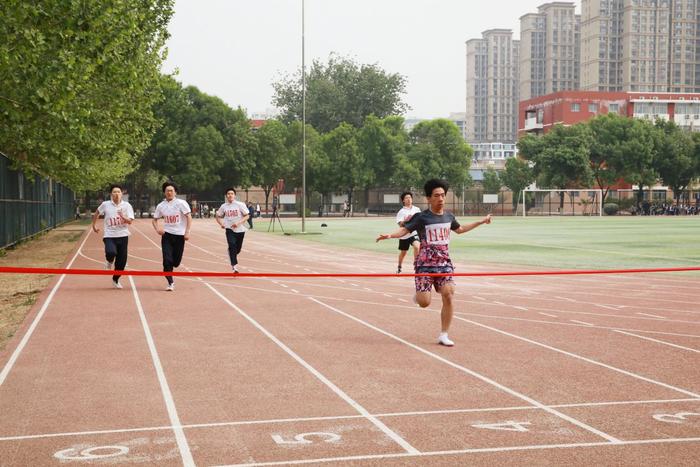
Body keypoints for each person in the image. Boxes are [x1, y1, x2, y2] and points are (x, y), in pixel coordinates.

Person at [376, 179, 492, 347]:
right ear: (429, 198)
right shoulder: (421, 217)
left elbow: (460, 230)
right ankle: (418, 295)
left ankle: (444, 334)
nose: (441, 199)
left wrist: (481, 221)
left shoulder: (449, 216)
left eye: (443, 195)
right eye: (437, 195)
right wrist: (390, 235)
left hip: (444, 263)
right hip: (424, 264)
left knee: (449, 294)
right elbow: (405, 230)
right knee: (424, 302)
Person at [91, 184, 135, 289]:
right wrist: (94, 225)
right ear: (111, 194)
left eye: (118, 192)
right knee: (111, 252)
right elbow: (97, 213)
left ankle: (115, 280)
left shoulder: (127, 206)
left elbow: (130, 222)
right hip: (109, 235)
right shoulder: (106, 204)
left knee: (121, 263)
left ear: (122, 194)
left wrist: (123, 216)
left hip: (123, 235)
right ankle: (109, 261)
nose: (116, 194)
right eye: (114, 192)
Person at [152, 182, 192, 291]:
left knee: (176, 262)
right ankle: (170, 282)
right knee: (167, 259)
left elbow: (189, 217)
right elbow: (154, 220)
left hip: (179, 236)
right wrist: (157, 229)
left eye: (171, 190)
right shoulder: (161, 205)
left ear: (175, 192)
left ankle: (172, 268)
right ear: (164, 192)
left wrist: (187, 232)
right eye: (167, 191)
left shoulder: (181, 203)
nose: (169, 192)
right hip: (167, 235)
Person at [216, 187, 249, 273]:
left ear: (234, 195)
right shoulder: (224, 206)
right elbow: (218, 216)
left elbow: (247, 215)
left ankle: (231, 252)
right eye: (228, 194)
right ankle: (234, 267)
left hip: (240, 229)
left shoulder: (240, 204)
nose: (230, 195)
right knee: (232, 245)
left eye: (232, 194)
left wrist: (238, 223)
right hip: (229, 229)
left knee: (237, 249)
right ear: (226, 196)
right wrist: (221, 224)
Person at [395, 191, 421, 274]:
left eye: (410, 197)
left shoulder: (417, 209)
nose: (409, 199)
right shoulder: (401, 212)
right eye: (406, 198)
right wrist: (407, 220)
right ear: (403, 200)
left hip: (414, 233)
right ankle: (399, 266)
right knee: (403, 252)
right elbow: (400, 224)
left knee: (417, 247)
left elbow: (421, 220)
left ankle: (416, 265)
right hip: (404, 235)